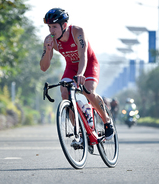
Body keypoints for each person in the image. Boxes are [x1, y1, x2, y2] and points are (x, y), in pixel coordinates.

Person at [40, 8, 114, 144]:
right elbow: (44, 67)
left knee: (89, 91)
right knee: (64, 93)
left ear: (64, 25)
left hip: (88, 64)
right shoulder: (50, 40)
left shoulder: (77, 32)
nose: (51, 31)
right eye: (49, 27)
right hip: (71, 67)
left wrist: (80, 74)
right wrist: (48, 50)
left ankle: (107, 121)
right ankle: (79, 132)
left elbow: (83, 55)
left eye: (54, 27)